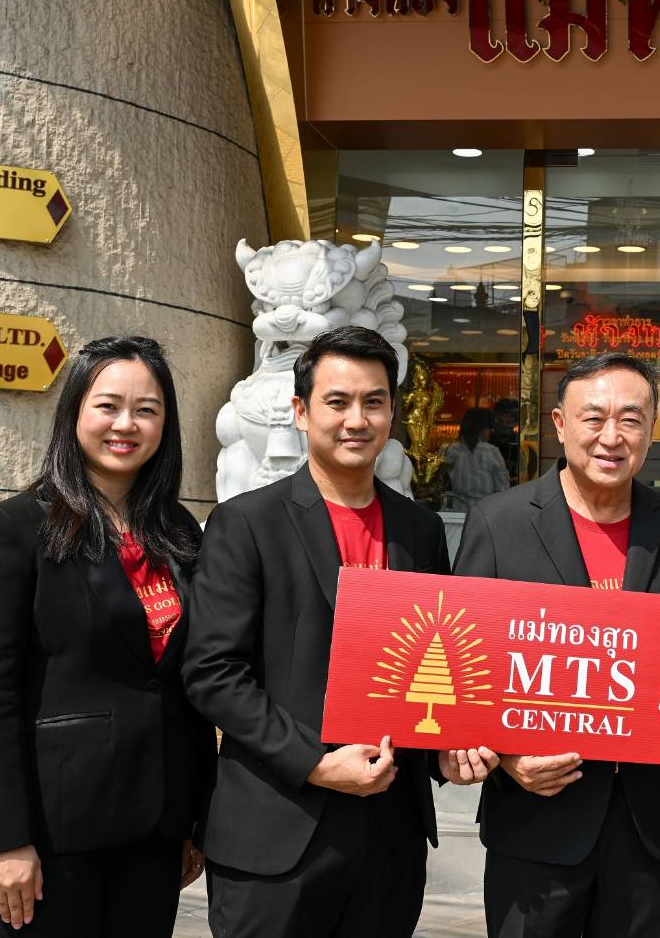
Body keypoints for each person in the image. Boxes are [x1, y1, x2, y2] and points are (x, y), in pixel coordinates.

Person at [182, 326, 497, 938]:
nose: (357, 419)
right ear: (301, 412)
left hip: (389, 836)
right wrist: (315, 763)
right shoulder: (247, 523)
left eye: (374, 402)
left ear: (392, 413)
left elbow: (431, 662)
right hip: (277, 834)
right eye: (337, 402)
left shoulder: (421, 529)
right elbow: (212, 673)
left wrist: (446, 751)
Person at [454, 352, 660, 938]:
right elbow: (463, 663)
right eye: (594, 418)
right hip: (537, 821)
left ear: (652, 429)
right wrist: (508, 759)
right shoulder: (499, 523)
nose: (612, 436)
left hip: (649, 828)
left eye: (631, 419)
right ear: (559, 424)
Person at [0, 336, 214, 936]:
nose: (126, 424)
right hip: (50, 836)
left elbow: (186, 685)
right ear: (74, 412)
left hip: (153, 834)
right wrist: (4, 839)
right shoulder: (13, 529)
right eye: (108, 406)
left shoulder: (179, 533)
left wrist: (191, 819)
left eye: (146, 410)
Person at [445, 406, 511, 510]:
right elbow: (502, 487)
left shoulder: (451, 450)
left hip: (457, 510)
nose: (491, 432)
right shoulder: (491, 452)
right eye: (489, 428)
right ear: (482, 429)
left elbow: (443, 482)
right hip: (485, 511)